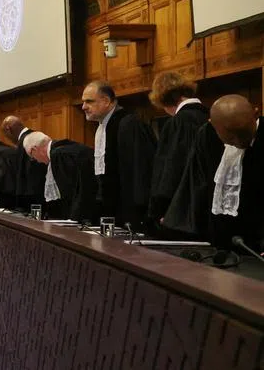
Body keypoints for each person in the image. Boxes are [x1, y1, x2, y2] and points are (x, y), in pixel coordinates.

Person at [167, 95, 263, 252]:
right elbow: (198, 184)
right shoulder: (206, 137)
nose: (238, 141)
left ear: (256, 113)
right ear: (213, 125)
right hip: (217, 241)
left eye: (243, 133)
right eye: (230, 137)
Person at [81, 81, 156, 229]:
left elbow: (139, 171)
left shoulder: (128, 123)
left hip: (129, 212)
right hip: (111, 210)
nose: (83, 107)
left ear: (106, 101)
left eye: (89, 101)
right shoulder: (102, 126)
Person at [147, 72, 209, 227]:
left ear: (164, 99)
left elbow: (172, 168)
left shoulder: (179, 122)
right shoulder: (210, 116)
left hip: (179, 211)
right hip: (206, 207)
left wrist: (160, 210)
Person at [23, 131, 97, 223]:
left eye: (32, 157)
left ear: (34, 149)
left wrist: (72, 219)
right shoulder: (64, 148)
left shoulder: (59, 155)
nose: (37, 161)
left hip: (86, 214)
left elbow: (71, 191)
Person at [1, 115, 46, 211]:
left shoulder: (24, 142)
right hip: (43, 195)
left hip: (31, 202)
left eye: (6, 135)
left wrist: (19, 205)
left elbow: (25, 176)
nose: (8, 139)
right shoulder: (35, 135)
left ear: (8, 129)